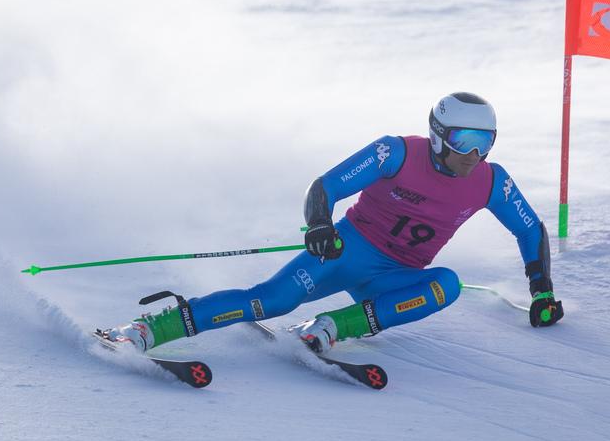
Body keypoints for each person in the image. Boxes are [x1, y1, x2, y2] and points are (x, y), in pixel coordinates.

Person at [101, 92, 563, 354]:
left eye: (485, 141)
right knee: (271, 300)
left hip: (394, 276)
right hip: (344, 251)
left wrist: (541, 288)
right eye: (465, 140)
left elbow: (529, 230)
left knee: (447, 285)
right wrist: (319, 224)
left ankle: (332, 326)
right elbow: (325, 186)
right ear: (440, 136)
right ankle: (147, 330)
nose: (474, 154)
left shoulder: (489, 181)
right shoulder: (396, 152)